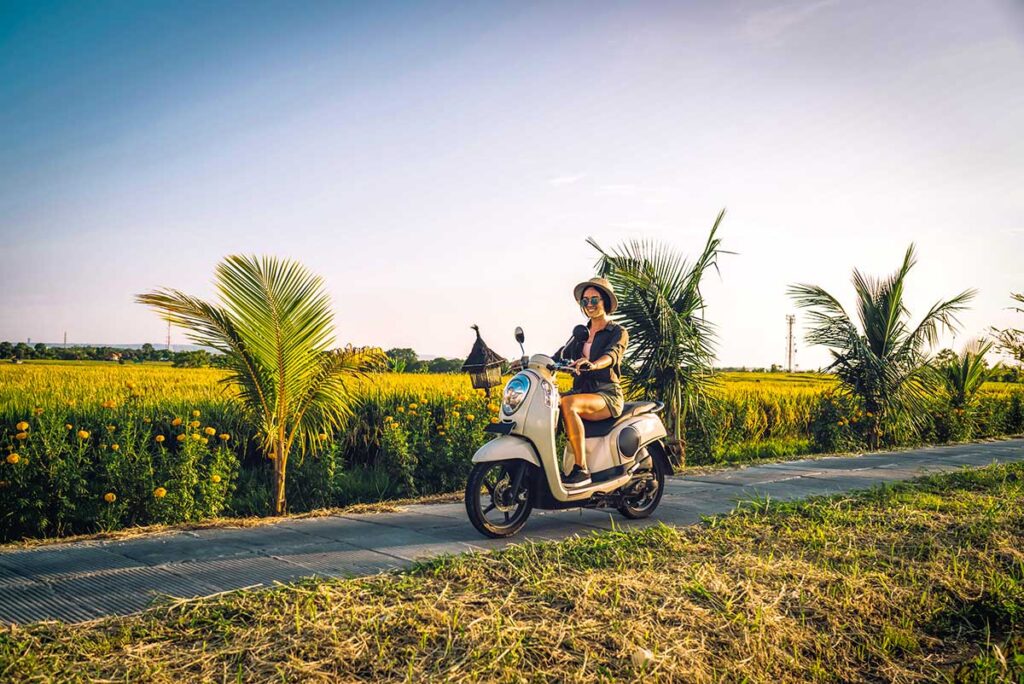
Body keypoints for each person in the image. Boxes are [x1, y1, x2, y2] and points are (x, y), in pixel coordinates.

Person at [552, 277, 628, 486]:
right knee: (546, 402)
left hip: (606, 394)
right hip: (582, 391)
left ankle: (581, 469)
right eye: (585, 301)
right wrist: (528, 362)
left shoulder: (617, 332)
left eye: (594, 300)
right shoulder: (580, 333)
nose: (590, 305)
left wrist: (594, 364)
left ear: (605, 302)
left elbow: (613, 355)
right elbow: (559, 355)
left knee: (568, 404)